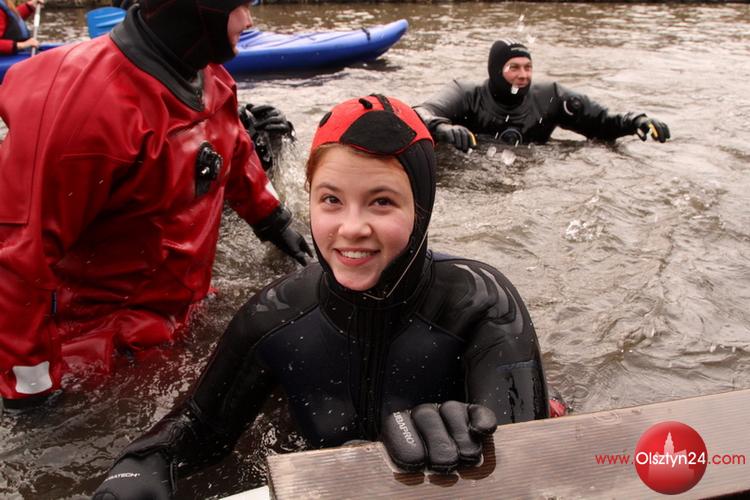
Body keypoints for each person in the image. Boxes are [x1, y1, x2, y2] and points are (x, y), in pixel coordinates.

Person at [92, 94, 550, 498]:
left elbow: (534, 463)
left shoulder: (481, 306)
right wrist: (139, 465)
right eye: (331, 200)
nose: (351, 228)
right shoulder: (274, 315)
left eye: (382, 201)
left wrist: (474, 443)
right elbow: (196, 429)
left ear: (422, 207)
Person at [0, 0, 313, 411]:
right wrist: (31, 392)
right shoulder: (87, 110)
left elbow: (232, 146)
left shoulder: (203, 70)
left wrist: (273, 219)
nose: (248, 20)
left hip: (180, 302)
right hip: (100, 342)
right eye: (238, 6)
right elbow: (18, 260)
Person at [414, 38, 671, 152]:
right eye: (514, 68)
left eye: (528, 67)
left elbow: (601, 124)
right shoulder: (466, 94)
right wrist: (442, 128)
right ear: (495, 70)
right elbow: (418, 114)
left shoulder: (551, 97)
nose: (523, 75)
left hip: (529, 173)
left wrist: (636, 121)